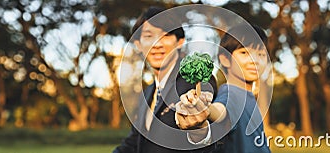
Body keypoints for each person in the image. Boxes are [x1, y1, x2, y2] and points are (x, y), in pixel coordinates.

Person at [113, 6, 220, 153]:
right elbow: (134, 142)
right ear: (138, 44)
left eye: (166, 35)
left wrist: (200, 131)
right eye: (149, 36)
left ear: (180, 42)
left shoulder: (196, 84)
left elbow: (212, 139)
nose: (157, 44)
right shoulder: (147, 93)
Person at [179, 24, 271, 152]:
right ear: (225, 59)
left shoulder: (248, 96)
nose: (255, 60)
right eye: (244, 52)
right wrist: (204, 108)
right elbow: (221, 111)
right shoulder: (232, 94)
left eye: (261, 54)